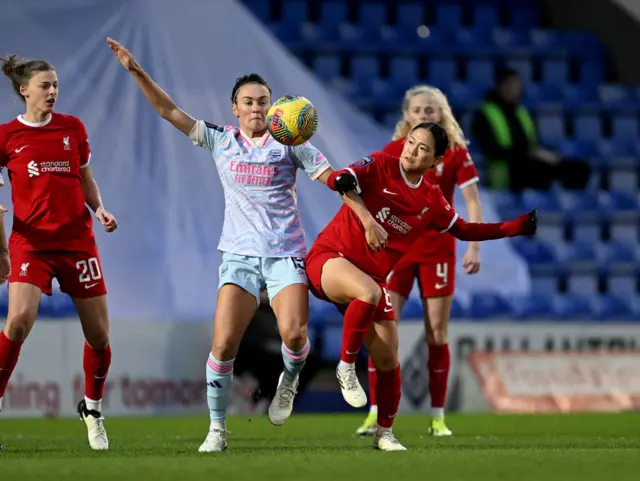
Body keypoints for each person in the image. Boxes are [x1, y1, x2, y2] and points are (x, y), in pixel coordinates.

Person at [106, 38, 386, 452]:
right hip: (238, 257)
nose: (257, 108)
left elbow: (335, 182)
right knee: (223, 345)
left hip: (284, 254)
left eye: (263, 102)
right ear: (234, 108)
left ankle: (288, 381)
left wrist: (365, 218)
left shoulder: (292, 143)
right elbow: (168, 111)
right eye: (249, 102)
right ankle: (217, 429)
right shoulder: (220, 139)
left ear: (275, 110)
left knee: (294, 336)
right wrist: (135, 70)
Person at [307, 122, 537, 451]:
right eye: (411, 142)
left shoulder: (431, 199)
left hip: (370, 277)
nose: (411, 150)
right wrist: (367, 219)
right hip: (330, 258)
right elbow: (344, 181)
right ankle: (346, 367)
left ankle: (384, 434)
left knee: (389, 360)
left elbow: (466, 230)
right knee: (369, 293)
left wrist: (515, 227)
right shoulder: (380, 164)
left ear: (436, 161)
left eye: (422, 149)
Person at [0, 55, 118, 451]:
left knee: (99, 337)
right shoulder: (6, 137)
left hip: (77, 242)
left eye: (55, 85)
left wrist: (98, 207)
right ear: (24, 90)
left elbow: (85, 178)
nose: (53, 92)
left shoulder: (72, 128)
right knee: (17, 321)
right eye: (45, 86)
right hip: (30, 242)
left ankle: (93, 408)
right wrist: (2, 249)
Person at [357, 86, 482, 437]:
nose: (425, 115)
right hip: (398, 249)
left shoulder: (456, 154)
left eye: (431, 109)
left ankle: (438, 416)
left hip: (438, 250)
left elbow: (472, 199)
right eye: (418, 110)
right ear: (407, 117)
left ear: (441, 114)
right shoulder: (394, 152)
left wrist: (474, 246)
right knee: (383, 328)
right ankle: (375, 412)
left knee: (437, 332)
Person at [472, 67, 590, 192]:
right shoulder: (485, 114)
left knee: (578, 169)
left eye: (518, 84)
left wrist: (546, 154)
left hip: (530, 161)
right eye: (511, 85)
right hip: (507, 167)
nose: (516, 89)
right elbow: (493, 151)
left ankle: (569, 203)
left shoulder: (521, 112)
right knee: (536, 169)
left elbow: (534, 143)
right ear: (500, 86)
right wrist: (528, 152)